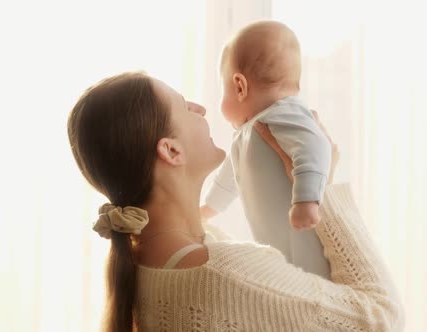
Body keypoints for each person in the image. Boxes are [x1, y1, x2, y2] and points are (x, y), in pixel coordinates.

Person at [67, 71, 404, 331]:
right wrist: (321, 190)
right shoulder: (228, 275)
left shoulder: (141, 263)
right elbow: (381, 318)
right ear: (171, 150)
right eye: (185, 107)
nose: (199, 108)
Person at [200, 21, 332, 278]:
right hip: (278, 251)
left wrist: (306, 201)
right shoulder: (248, 132)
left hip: (304, 245)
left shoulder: (285, 113)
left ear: (240, 86)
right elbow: (228, 179)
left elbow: (316, 148)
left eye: (222, 89)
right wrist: (207, 210)